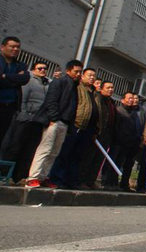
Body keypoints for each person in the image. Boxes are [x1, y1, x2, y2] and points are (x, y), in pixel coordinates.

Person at [26, 60, 82, 188]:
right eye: (76, 71)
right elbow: (51, 100)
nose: (78, 74)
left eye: (80, 72)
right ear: (68, 71)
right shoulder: (59, 82)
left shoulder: (74, 86)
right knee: (45, 149)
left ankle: (44, 176)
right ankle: (33, 177)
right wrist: (53, 118)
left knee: (54, 152)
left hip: (65, 122)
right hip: (54, 121)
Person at [0, 61, 50, 182]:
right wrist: (23, 115)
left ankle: (21, 176)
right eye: (40, 68)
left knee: (29, 150)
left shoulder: (47, 83)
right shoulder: (28, 80)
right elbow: (23, 99)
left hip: (38, 122)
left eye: (45, 68)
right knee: (15, 147)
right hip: (25, 119)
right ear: (33, 69)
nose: (43, 70)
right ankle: (7, 175)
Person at [49, 67, 98, 189]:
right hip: (75, 125)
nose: (92, 78)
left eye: (94, 76)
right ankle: (57, 179)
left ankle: (71, 180)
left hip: (86, 128)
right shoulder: (77, 88)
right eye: (89, 75)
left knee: (77, 156)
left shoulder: (92, 92)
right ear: (82, 76)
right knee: (65, 154)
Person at [105, 92, 142, 191]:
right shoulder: (119, 111)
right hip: (118, 142)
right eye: (129, 98)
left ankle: (115, 182)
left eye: (132, 99)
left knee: (120, 163)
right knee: (112, 162)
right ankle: (108, 182)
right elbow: (115, 127)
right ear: (122, 100)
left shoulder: (133, 113)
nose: (131, 100)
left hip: (128, 144)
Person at [0, 37, 29, 144]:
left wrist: (5, 76)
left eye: (18, 47)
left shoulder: (20, 65)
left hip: (9, 107)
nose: (15, 49)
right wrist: (15, 78)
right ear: (2, 47)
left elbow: (25, 79)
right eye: (12, 46)